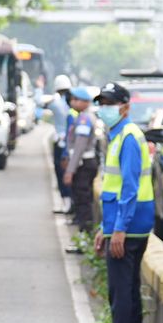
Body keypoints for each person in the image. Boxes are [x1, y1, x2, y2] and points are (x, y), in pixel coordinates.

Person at [90, 81, 153, 323]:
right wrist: (106, 227)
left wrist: (118, 230)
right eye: (101, 103)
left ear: (125, 107)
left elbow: (128, 188)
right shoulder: (120, 135)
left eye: (110, 103)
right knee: (128, 290)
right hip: (128, 225)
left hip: (128, 228)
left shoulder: (127, 137)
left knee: (122, 294)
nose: (104, 109)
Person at [62, 86, 100, 240]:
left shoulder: (84, 119)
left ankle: (85, 237)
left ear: (84, 102)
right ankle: (84, 235)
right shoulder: (82, 116)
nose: (72, 102)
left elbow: (79, 147)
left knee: (82, 201)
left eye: (75, 99)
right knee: (82, 200)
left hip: (83, 165)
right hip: (84, 163)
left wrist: (70, 170)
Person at [49, 73, 74, 210]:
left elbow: (41, 103)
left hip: (61, 142)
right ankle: (69, 203)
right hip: (68, 143)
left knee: (61, 172)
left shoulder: (56, 103)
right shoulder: (71, 104)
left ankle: (66, 202)